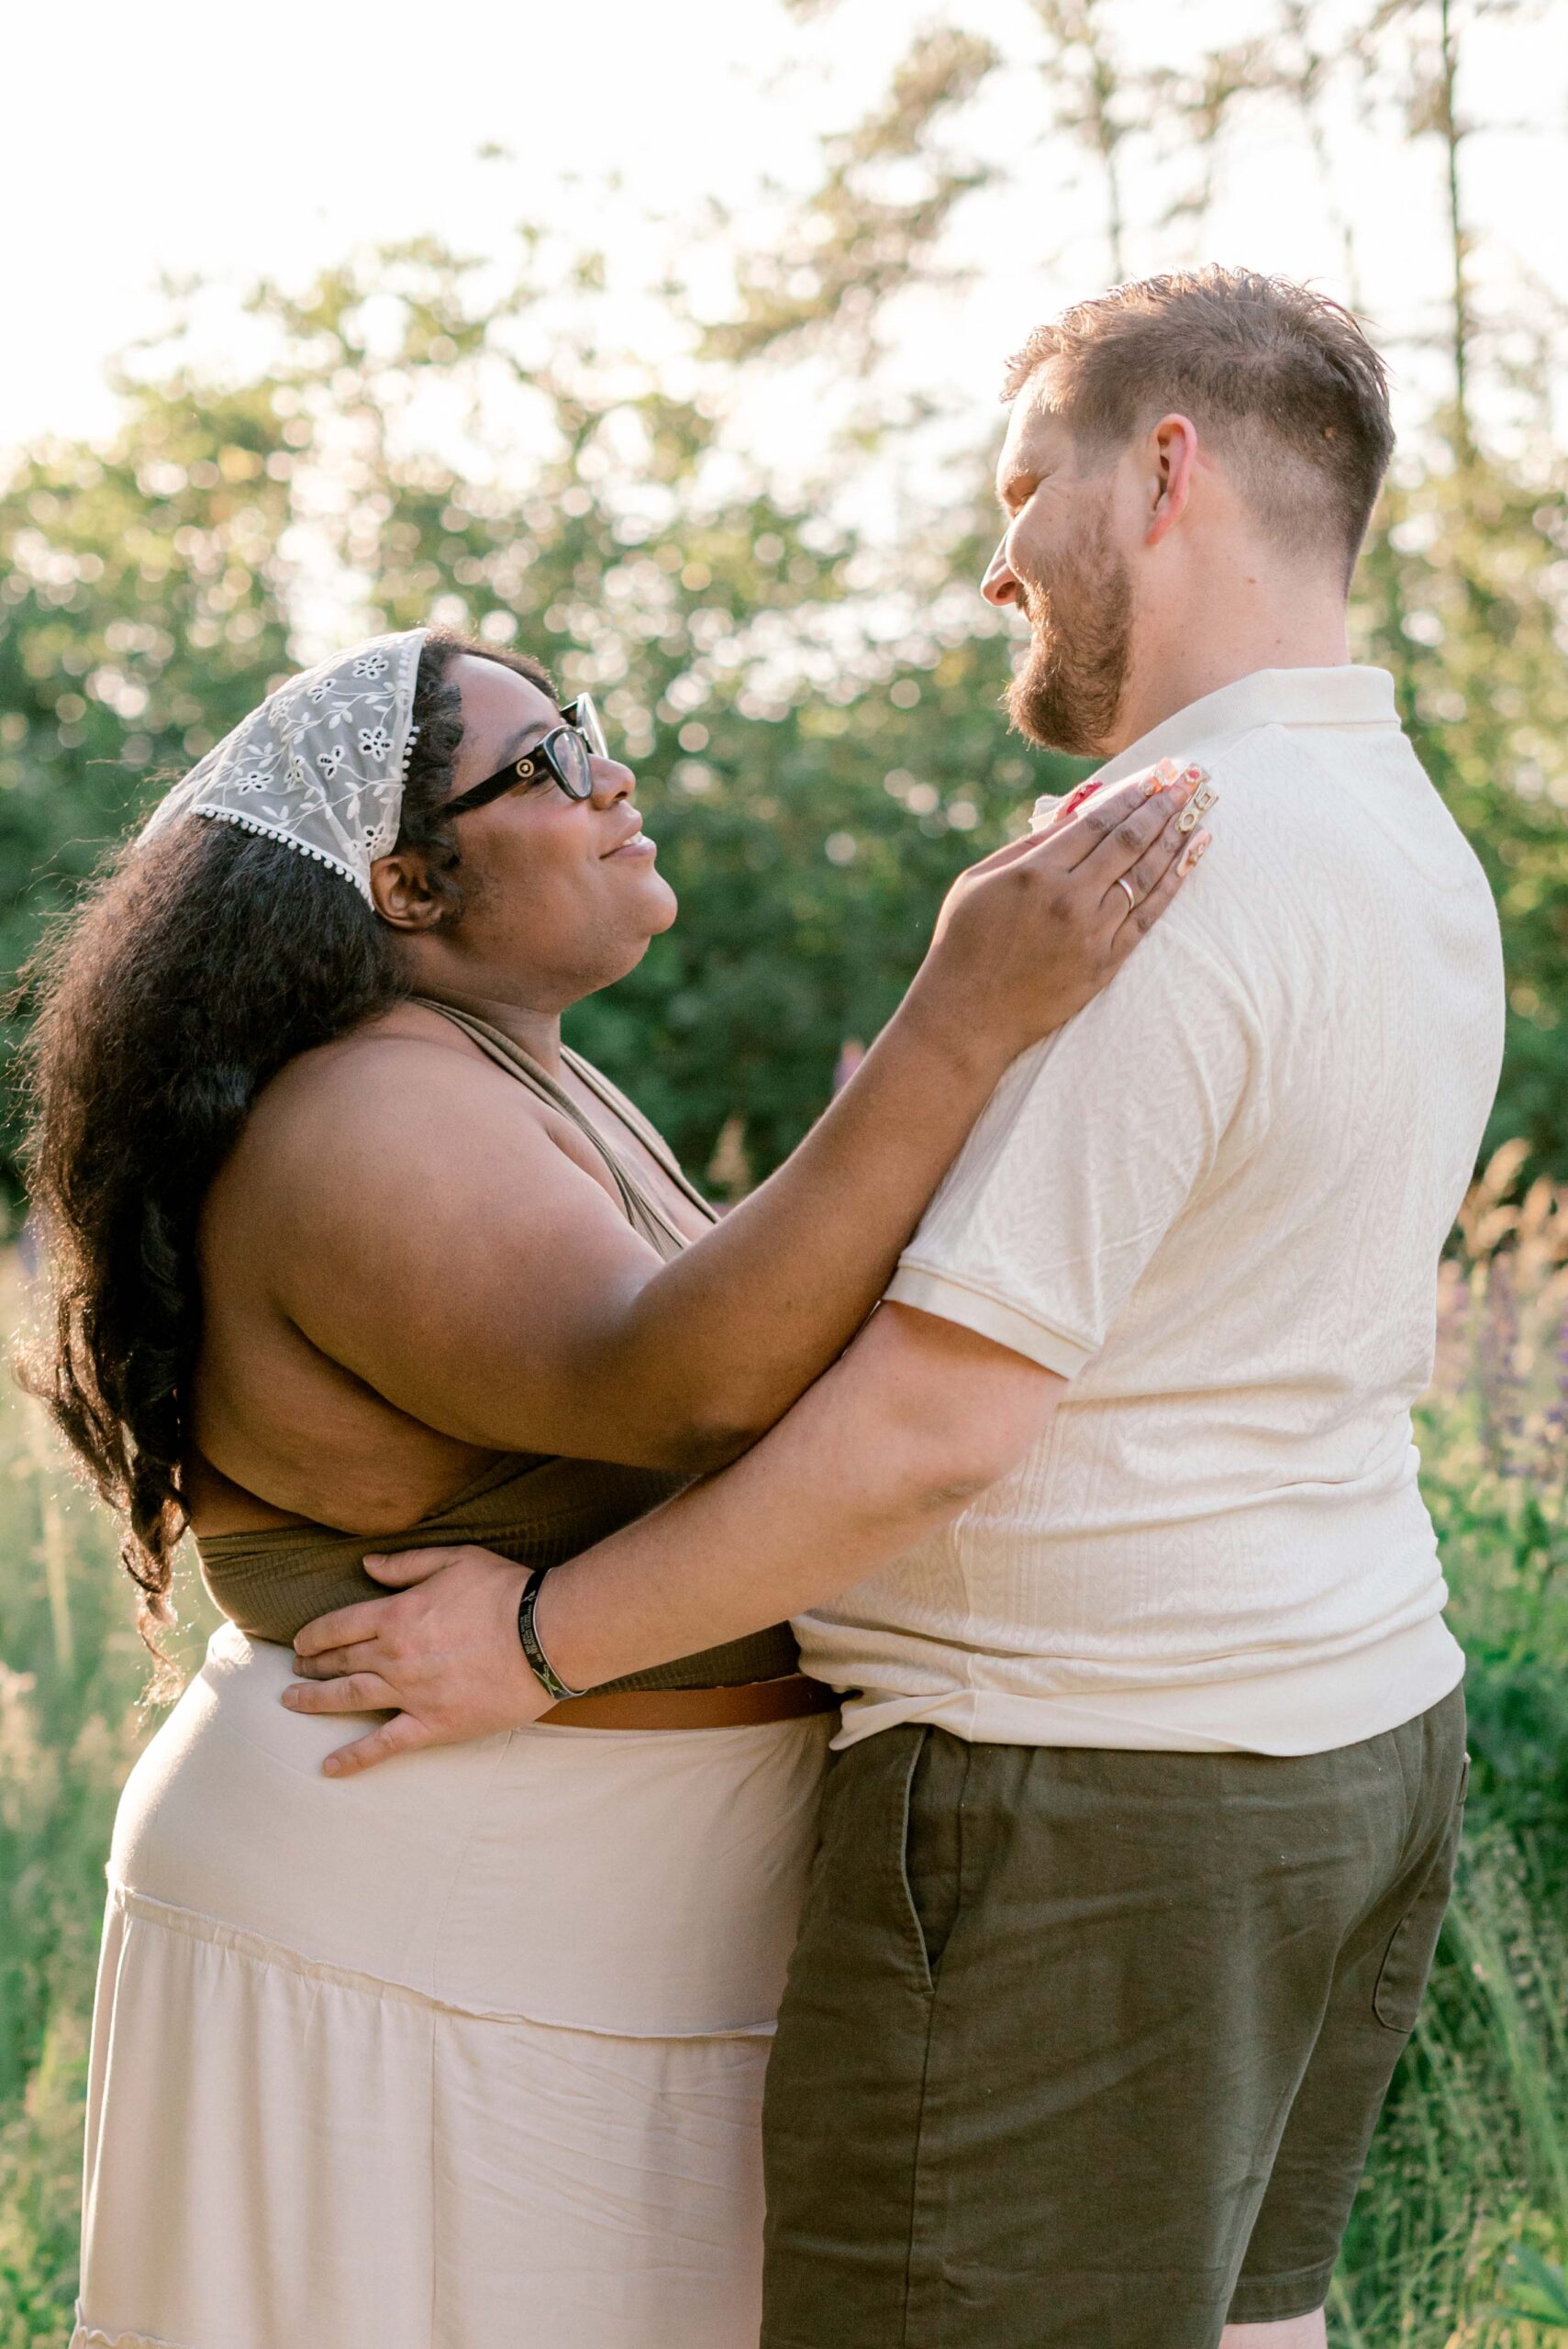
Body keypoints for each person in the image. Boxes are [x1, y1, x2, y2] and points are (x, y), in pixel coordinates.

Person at [291, 267, 1507, 2349]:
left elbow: (941, 1423)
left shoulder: (1164, 866)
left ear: (1166, 472)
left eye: (1022, 489)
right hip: (1351, 1734)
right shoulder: (1409, 841)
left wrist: (535, 1640)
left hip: (1088, 1805)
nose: (989, 565)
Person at [21, 619, 1207, 2349]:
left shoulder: (517, 1073)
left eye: (591, 728)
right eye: (549, 760)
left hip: (583, 1919)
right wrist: (961, 1015)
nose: (613, 775)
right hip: (429, 1921)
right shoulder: (365, 1113)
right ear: (409, 887)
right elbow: (688, 1379)